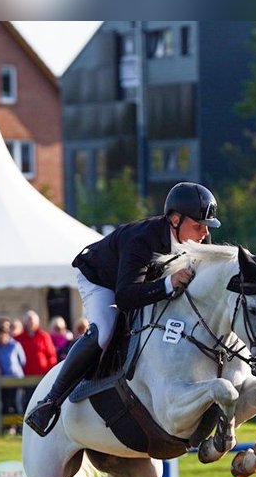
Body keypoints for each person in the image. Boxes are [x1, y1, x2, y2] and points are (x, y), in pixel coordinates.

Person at [25, 181, 218, 435]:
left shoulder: (199, 239)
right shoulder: (142, 240)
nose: (204, 232)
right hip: (101, 278)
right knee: (105, 330)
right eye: (198, 225)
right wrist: (168, 283)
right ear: (174, 219)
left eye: (206, 226)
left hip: (141, 281)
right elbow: (125, 297)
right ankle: (49, 402)